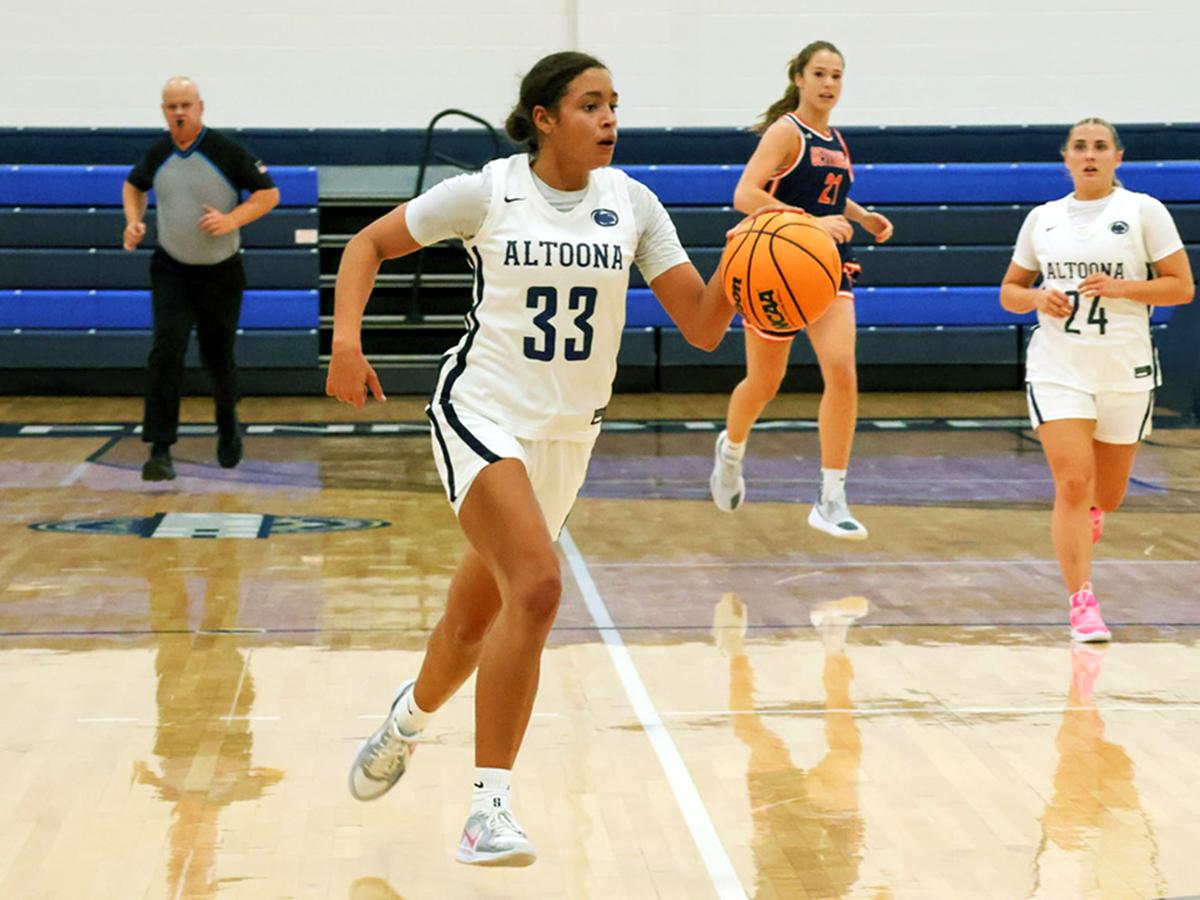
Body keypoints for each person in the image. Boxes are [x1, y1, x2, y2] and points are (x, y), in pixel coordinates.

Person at [326, 51, 736, 867]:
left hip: (566, 437)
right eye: (591, 104)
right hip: (481, 412)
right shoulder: (489, 191)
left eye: (614, 104)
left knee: (472, 623)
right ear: (544, 118)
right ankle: (489, 812)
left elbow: (702, 322)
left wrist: (760, 271)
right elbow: (367, 245)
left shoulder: (634, 204)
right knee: (542, 588)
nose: (610, 118)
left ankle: (404, 723)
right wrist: (345, 341)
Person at [1000, 117, 1194, 641]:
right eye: (1080, 147)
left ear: (1117, 157)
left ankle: (1091, 517)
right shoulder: (1043, 219)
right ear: (1066, 158)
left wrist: (1124, 288)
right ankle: (1082, 601)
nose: (1090, 155)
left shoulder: (1142, 211)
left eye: (1100, 147)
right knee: (1071, 482)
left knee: (1105, 496)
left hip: (1124, 369)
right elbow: (1010, 292)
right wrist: (1039, 297)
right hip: (1059, 367)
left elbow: (1181, 288)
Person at [709, 41, 894, 539]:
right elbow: (745, 194)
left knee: (842, 371)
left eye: (837, 75)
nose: (829, 83)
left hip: (826, 267)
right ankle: (731, 449)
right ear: (798, 78)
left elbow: (831, 194)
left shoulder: (834, 138)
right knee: (764, 384)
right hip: (778, 266)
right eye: (819, 73)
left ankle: (831, 497)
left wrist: (861, 215)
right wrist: (814, 224)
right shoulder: (785, 131)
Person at [123, 76, 280, 481]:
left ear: (200, 107)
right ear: (163, 111)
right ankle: (160, 449)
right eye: (171, 106)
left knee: (217, 356)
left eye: (185, 105)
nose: (179, 112)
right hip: (171, 267)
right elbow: (133, 185)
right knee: (166, 351)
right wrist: (134, 221)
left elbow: (268, 194)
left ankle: (227, 424)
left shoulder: (225, 151)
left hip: (220, 272)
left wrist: (231, 220)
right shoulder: (158, 153)